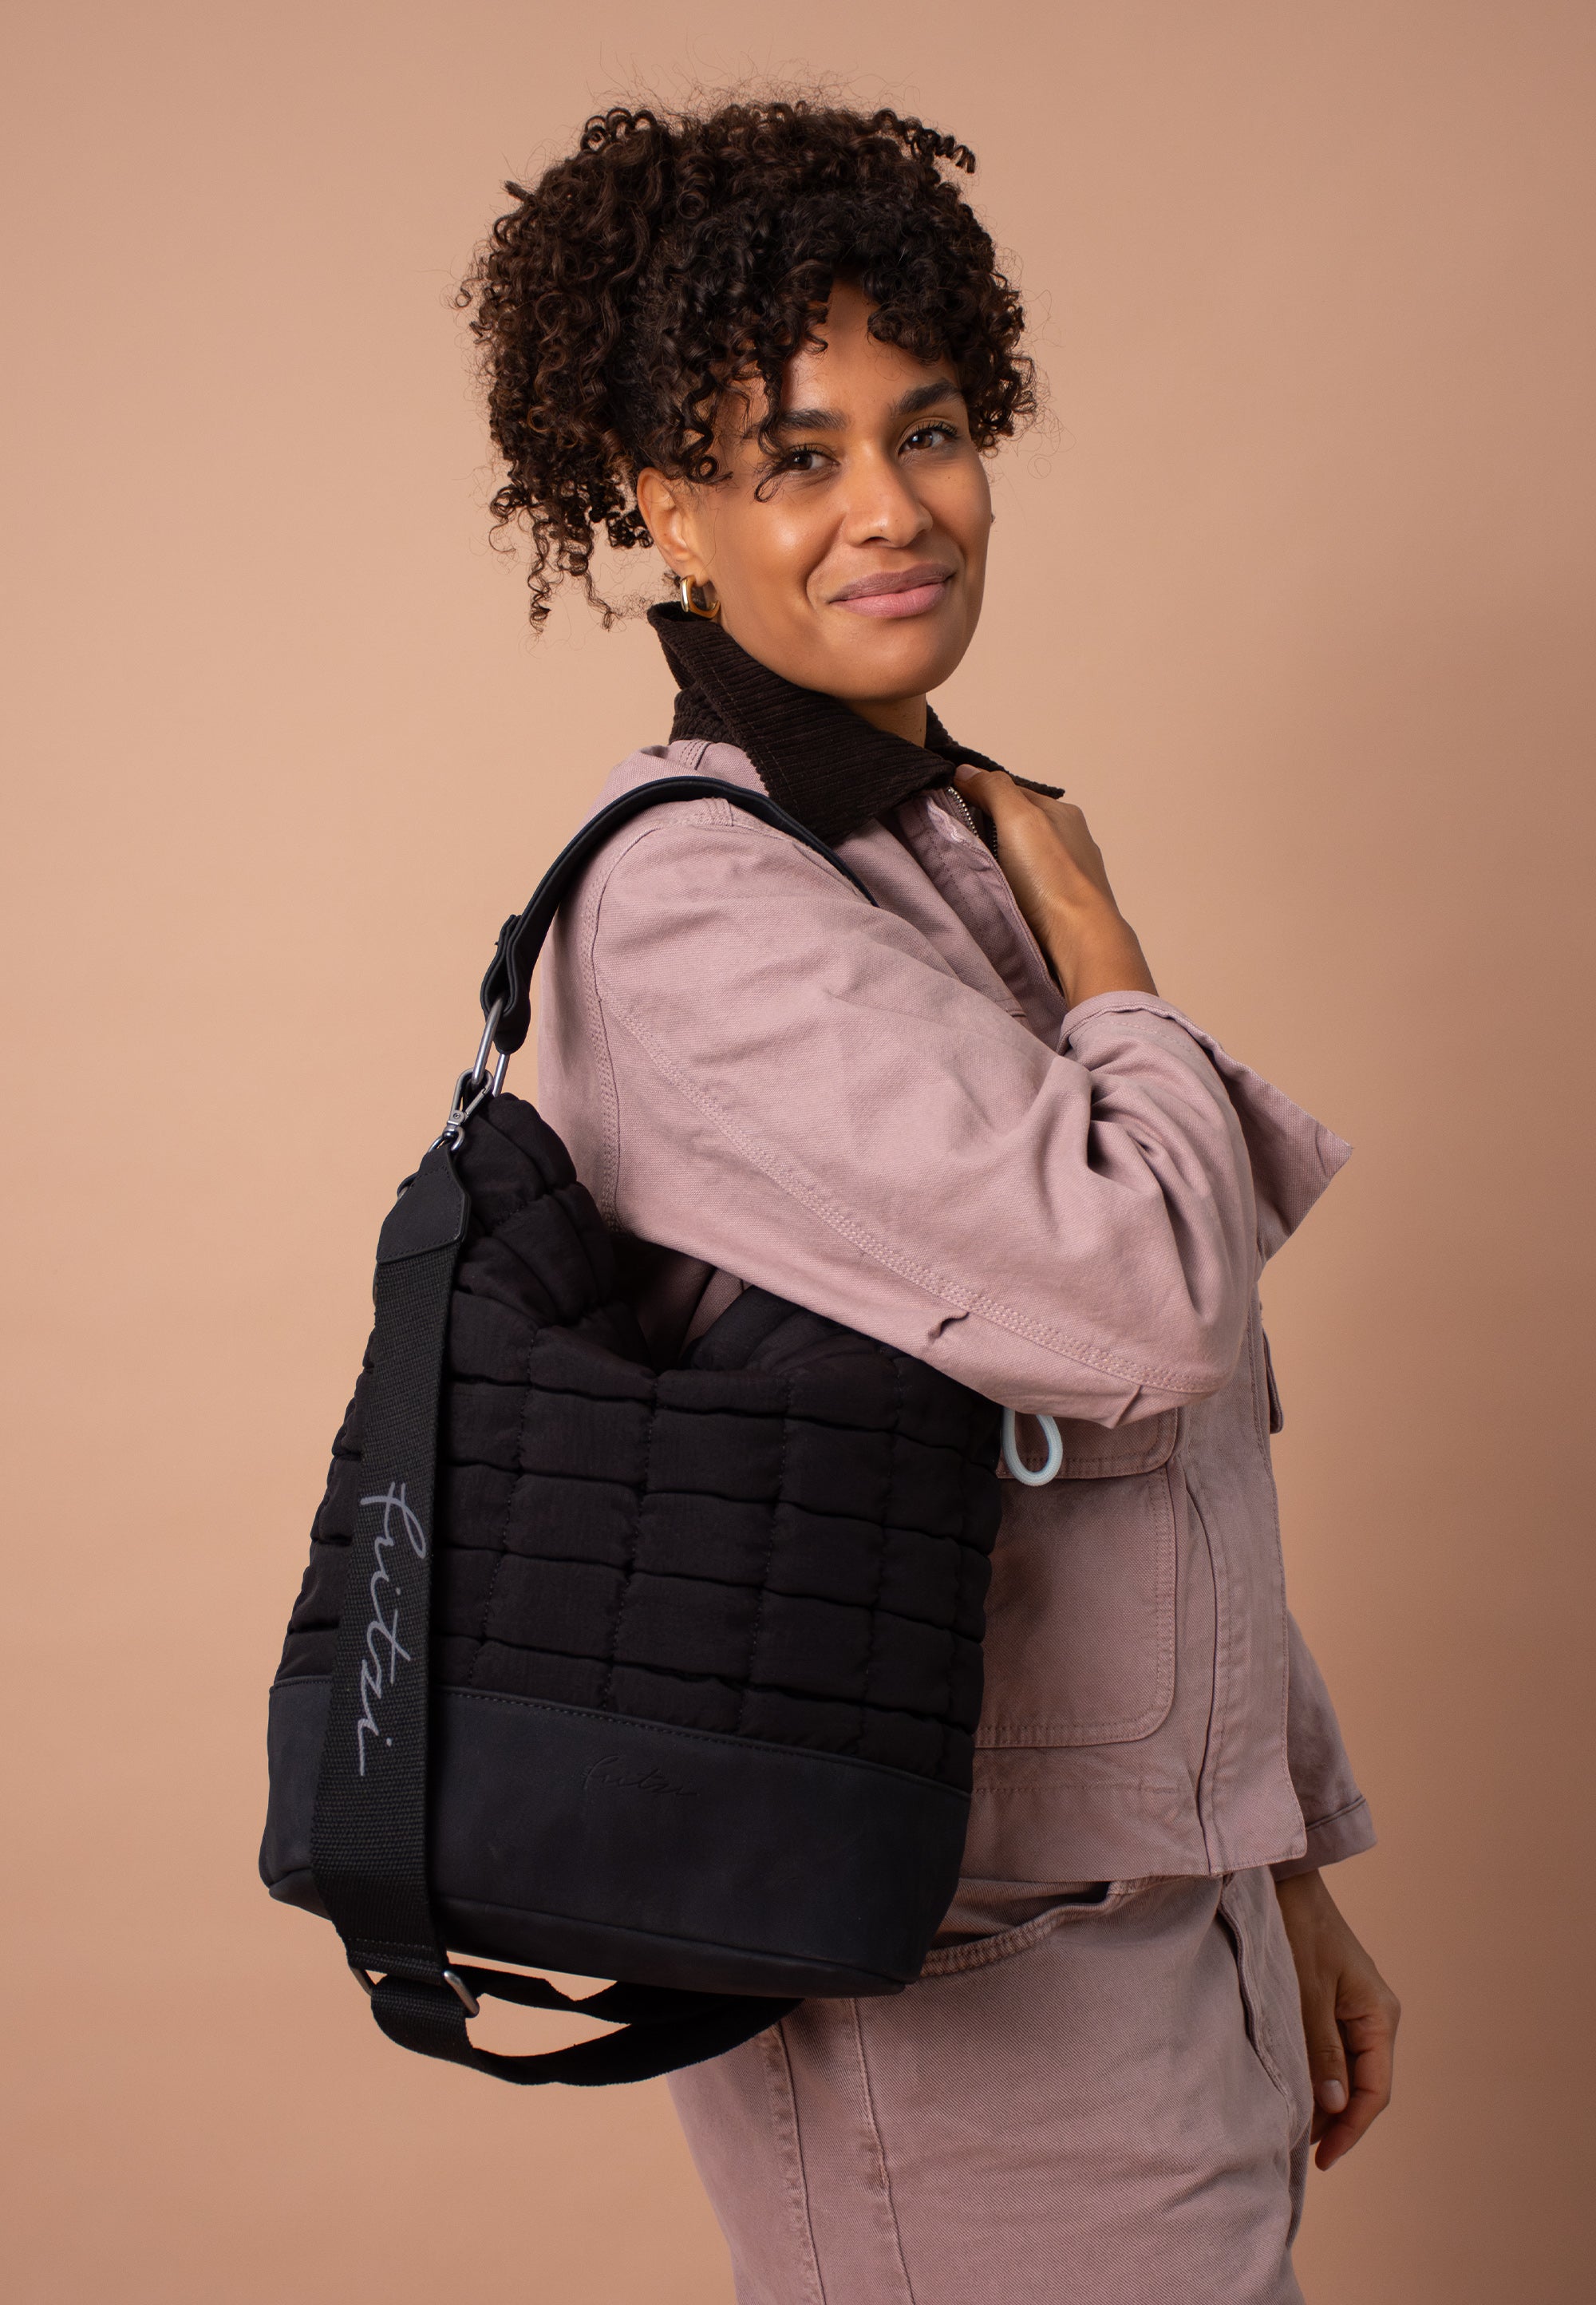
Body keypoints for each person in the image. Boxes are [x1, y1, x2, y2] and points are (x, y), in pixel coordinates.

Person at [456, 99, 1399, 2305]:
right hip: (944, 1981)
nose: (893, 508)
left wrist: (1282, 1867)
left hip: (1134, 1918)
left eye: (934, 430)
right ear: (663, 506)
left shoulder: (915, 848)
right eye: (796, 457)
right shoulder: (704, 905)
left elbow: (1138, 1463)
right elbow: (1150, 1299)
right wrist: (1109, 952)